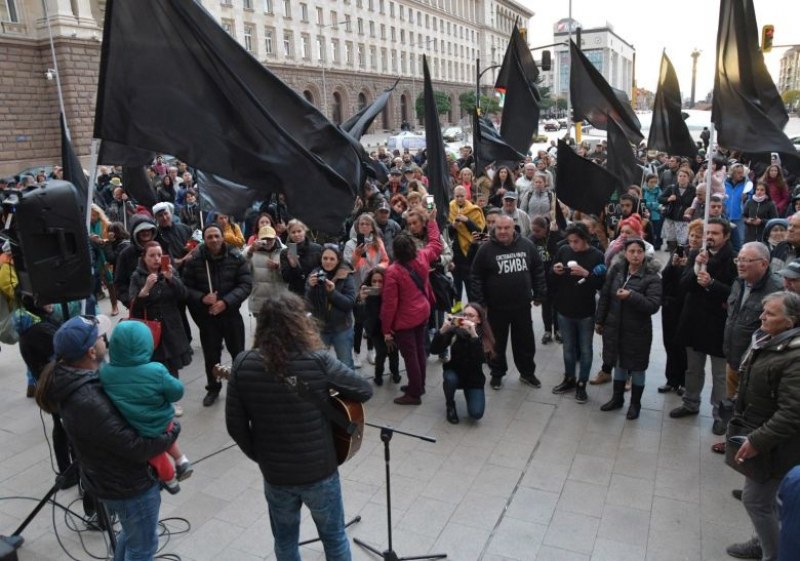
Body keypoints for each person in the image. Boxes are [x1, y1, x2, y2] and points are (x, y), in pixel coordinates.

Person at [225, 291, 372, 561]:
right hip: (320, 471)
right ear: (299, 323)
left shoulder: (243, 363)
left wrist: (261, 455)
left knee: (284, 540)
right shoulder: (318, 360)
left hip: (276, 475)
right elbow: (363, 390)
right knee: (334, 537)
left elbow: (235, 425)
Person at [35, 315, 180, 561]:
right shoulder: (89, 398)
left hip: (110, 482)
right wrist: (171, 432)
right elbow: (135, 446)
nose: (106, 340)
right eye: (101, 337)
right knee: (143, 546)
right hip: (127, 486)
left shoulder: (80, 383)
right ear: (91, 352)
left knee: (131, 537)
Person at [725, 292, 800, 561]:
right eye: (763, 311)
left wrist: (757, 441)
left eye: (770, 314)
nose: (761, 317)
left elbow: (793, 412)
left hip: (778, 445)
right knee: (767, 499)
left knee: (755, 500)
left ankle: (772, 554)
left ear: (789, 322)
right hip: (763, 433)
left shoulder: (794, 357)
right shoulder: (770, 341)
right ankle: (764, 542)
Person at [99, 321, 192, 494]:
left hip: (136, 428)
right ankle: (181, 460)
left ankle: (170, 480)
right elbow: (177, 391)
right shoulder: (156, 370)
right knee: (167, 435)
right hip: (161, 420)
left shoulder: (106, 372)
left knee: (156, 455)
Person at [670, 218, 737, 435]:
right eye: (708, 233)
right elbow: (685, 285)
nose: (709, 237)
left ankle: (720, 414)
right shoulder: (696, 254)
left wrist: (712, 284)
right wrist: (697, 265)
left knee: (719, 374)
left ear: (726, 236)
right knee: (693, 368)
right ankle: (691, 402)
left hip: (718, 324)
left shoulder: (734, 259)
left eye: (715, 233)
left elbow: (734, 293)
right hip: (694, 321)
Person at [471, 214, 547, 390]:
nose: (503, 231)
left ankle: (527, 373)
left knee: (525, 342)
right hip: (496, 308)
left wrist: (540, 293)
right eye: (499, 228)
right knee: (497, 343)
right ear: (494, 229)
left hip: (522, 306)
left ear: (514, 228)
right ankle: (497, 374)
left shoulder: (527, 245)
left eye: (507, 228)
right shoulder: (485, 249)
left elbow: (537, 270)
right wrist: (480, 302)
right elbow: (476, 277)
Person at [182, 223, 252, 406]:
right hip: (208, 318)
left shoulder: (236, 257)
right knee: (211, 356)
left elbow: (245, 285)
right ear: (204, 239)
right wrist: (202, 298)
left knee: (238, 354)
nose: (213, 240)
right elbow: (185, 288)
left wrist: (226, 302)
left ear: (222, 237)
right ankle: (213, 388)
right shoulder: (196, 259)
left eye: (216, 236)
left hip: (230, 315)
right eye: (209, 237)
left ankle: (241, 388)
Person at [381, 209, 443, 405]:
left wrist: (386, 329)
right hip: (422, 311)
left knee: (410, 357)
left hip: (405, 319)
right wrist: (432, 222)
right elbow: (435, 243)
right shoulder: (422, 256)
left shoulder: (393, 272)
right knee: (419, 352)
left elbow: (389, 305)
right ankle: (420, 384)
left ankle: (414, 393)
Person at [595, 238, 662, 419]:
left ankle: (635, 404)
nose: (635, 255)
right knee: (618, 364)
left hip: (637, 331)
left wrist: (631, 296)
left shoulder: (652, 277)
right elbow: (605, 296)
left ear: (644, 254)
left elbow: (653, 305)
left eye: (639, 252)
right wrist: (600, 320)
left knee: (637, 368)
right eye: (631, 251)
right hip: (614, 327)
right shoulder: (617, 270)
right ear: (625, 253)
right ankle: (617, 399)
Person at [549, 223, 606, 402]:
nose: (573, 245)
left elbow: (601, 284)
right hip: (564, 309)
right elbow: (551, 276)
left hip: (586, 312)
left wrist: (587, 274)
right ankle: (569, 378)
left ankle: (582, 383)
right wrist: (555, 271)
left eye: (577, 241)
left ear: (585, 239)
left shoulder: (597, 255)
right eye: (570, 241)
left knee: (586, 349)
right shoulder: (564, 251)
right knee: (568, 348)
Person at [129, 241, 193, 387]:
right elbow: (134, 307)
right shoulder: (137, 276)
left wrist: (172, 279)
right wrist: (146, 288)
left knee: (172, 368)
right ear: (144, 258)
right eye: (152, 255)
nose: (156, 259)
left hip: (171, 327)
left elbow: (183, 295)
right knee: (155, 367)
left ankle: (173, 397)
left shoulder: (169, 272)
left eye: (159, 255)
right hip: (150, 329)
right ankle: (159, 398)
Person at [430, 303, 494, 424]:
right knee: (450, 379)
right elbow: (434, 350)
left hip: (474, 379)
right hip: (455, 372)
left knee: (476, 414)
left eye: (471, 315)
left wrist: (473, 335)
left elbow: (481, 359)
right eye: (465, 315)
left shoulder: (483, 336)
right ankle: (450, 404)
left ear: (479, 319)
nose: (467, 318)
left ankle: (469, 393)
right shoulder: (455, 331)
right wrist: (442, 330)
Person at [658, 219, 703, 394]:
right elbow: (665, 276)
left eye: (698, 236)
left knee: (684, 346)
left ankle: (684, 382)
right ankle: (671, 379)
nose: (693, 239)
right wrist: (674, 265)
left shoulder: (702, 257)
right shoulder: (679, 250)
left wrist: (689, 267)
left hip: (688, 307)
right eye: (692, 235)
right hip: (671, 305)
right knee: (669, 343)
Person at [306, 244, 357, 369]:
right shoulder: (315, 274)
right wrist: (311, 288)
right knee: (318, 364)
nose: (328, 262)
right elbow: (307, 303)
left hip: (341, 328)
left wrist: (332, 293)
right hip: (321, 328)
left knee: (345, 363)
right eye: (325, 258)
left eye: (332, 259)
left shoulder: (346, 275)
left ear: (338, 260)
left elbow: (349, 304)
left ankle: (348, 387)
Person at [357, 267, 400, 385]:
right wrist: (361, 300)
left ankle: (395, 373)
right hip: (375, 330)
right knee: (381, 353)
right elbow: (360, 318)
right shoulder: (367, 295)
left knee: (393, 352)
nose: (377, 285)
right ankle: (378, 376)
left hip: (391, 329)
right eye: (374, 281)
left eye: (380, 281)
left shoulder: (391, 293)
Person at [448, 185, 486, 304]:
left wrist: (467, 220)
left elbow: (480, 231)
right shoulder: (450, 207)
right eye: (457, 196)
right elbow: (448, 233)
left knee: (470, 283)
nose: (459, 198)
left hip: (470, 250)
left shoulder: (474, 209)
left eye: (462, 196)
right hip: (456, 250)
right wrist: (453, 226)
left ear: (466, 196)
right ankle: (457, 305)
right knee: (456, 283)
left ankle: (472, 307)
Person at [246, 225, 285, 316]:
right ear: (259, 239)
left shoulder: (285, 250)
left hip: (279, 301)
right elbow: (243, 270)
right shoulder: (251, 251)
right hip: (259, 301)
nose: (268, 242)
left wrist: (278, 267)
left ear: (275, 238)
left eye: (270, 239)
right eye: (265, 239)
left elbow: (292, 273)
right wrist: (250, 252)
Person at [280, 219, 323, 295]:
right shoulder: (286, 252)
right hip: (296, 294)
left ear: (304, 231)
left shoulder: (317, 248)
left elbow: (323, 269)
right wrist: (293, 266)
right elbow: (286, 279)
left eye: (299, 231)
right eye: (293, 232)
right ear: (289, 234)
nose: (296, 235)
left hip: (314, 292)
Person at [659, 168, 696, 252]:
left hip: (683, 220)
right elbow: (660, 198)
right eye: (680, 176)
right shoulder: (671, 188)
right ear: (677, 177)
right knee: (672, 242)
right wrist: (668, 199)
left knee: (682, 243)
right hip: (671, 218)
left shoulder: (693, 189)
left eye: (684, 176)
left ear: (688, 178)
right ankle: (672, 259)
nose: (682, 178)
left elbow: (695, 202)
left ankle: (680, 258)